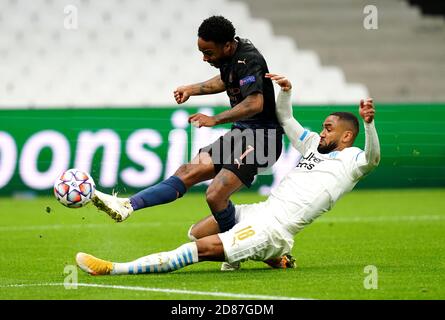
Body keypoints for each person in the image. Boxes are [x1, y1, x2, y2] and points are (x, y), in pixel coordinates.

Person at [76, 74, 381, 276]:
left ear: (346, 136)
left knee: (198, 249)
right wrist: (286, 91)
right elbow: (285, 117)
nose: (323, 130)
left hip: (273, 230)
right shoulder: (312, 144)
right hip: (261, 212)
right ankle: (272, 257)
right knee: (197, 232)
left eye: (330, 128)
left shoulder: (351, 160)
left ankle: (115, 268)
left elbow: (372, 158)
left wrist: (369, 125)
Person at [91, 16, 283, 239]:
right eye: (202, 52)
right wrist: (193, 89)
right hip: (241, 134)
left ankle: (242, 248)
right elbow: (226, 80)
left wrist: (215, 119)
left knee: (215, 194)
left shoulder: (249, 59)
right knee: (187, 171)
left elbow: (255, 103)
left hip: (262, 140)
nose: (204, 58)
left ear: (228, 46)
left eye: (209, 53)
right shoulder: (232, 56)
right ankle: (127, 205)